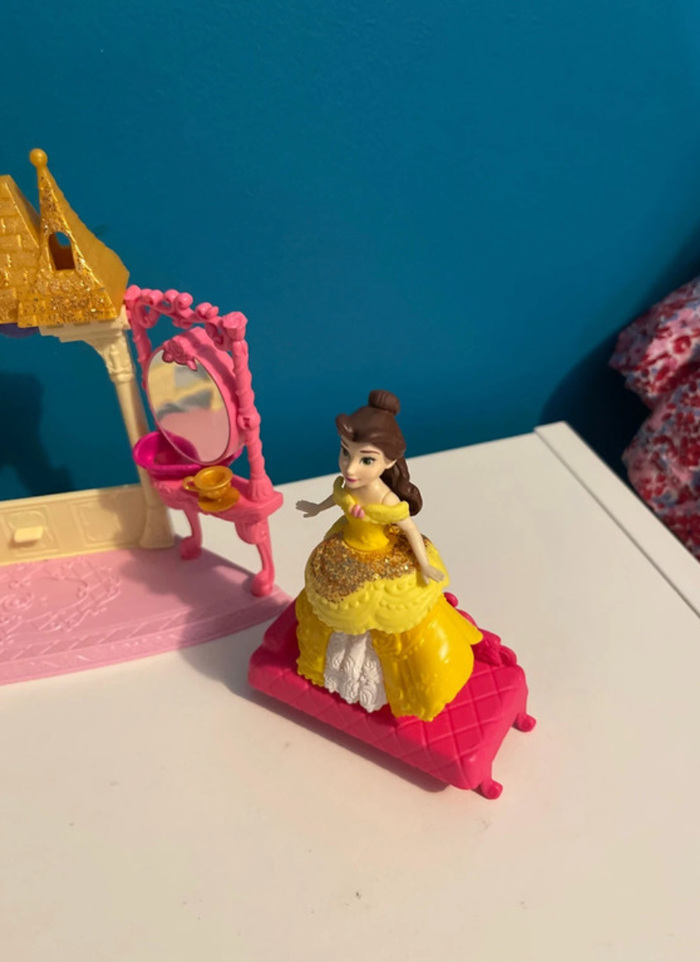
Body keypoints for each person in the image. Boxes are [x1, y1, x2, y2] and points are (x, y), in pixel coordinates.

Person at [295, 390, 482, 722]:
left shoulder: (385, 498)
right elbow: (335, 497)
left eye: (366, 460)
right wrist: (315, 507)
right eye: (345, 452)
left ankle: (395, 682)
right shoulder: (348, 484)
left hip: (385, 561)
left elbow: (410, 530)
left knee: (391, 619)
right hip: (344, 552)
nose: (350, 467)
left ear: (389, 463)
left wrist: (424, 565)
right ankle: (333, 665)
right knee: (331, 611)